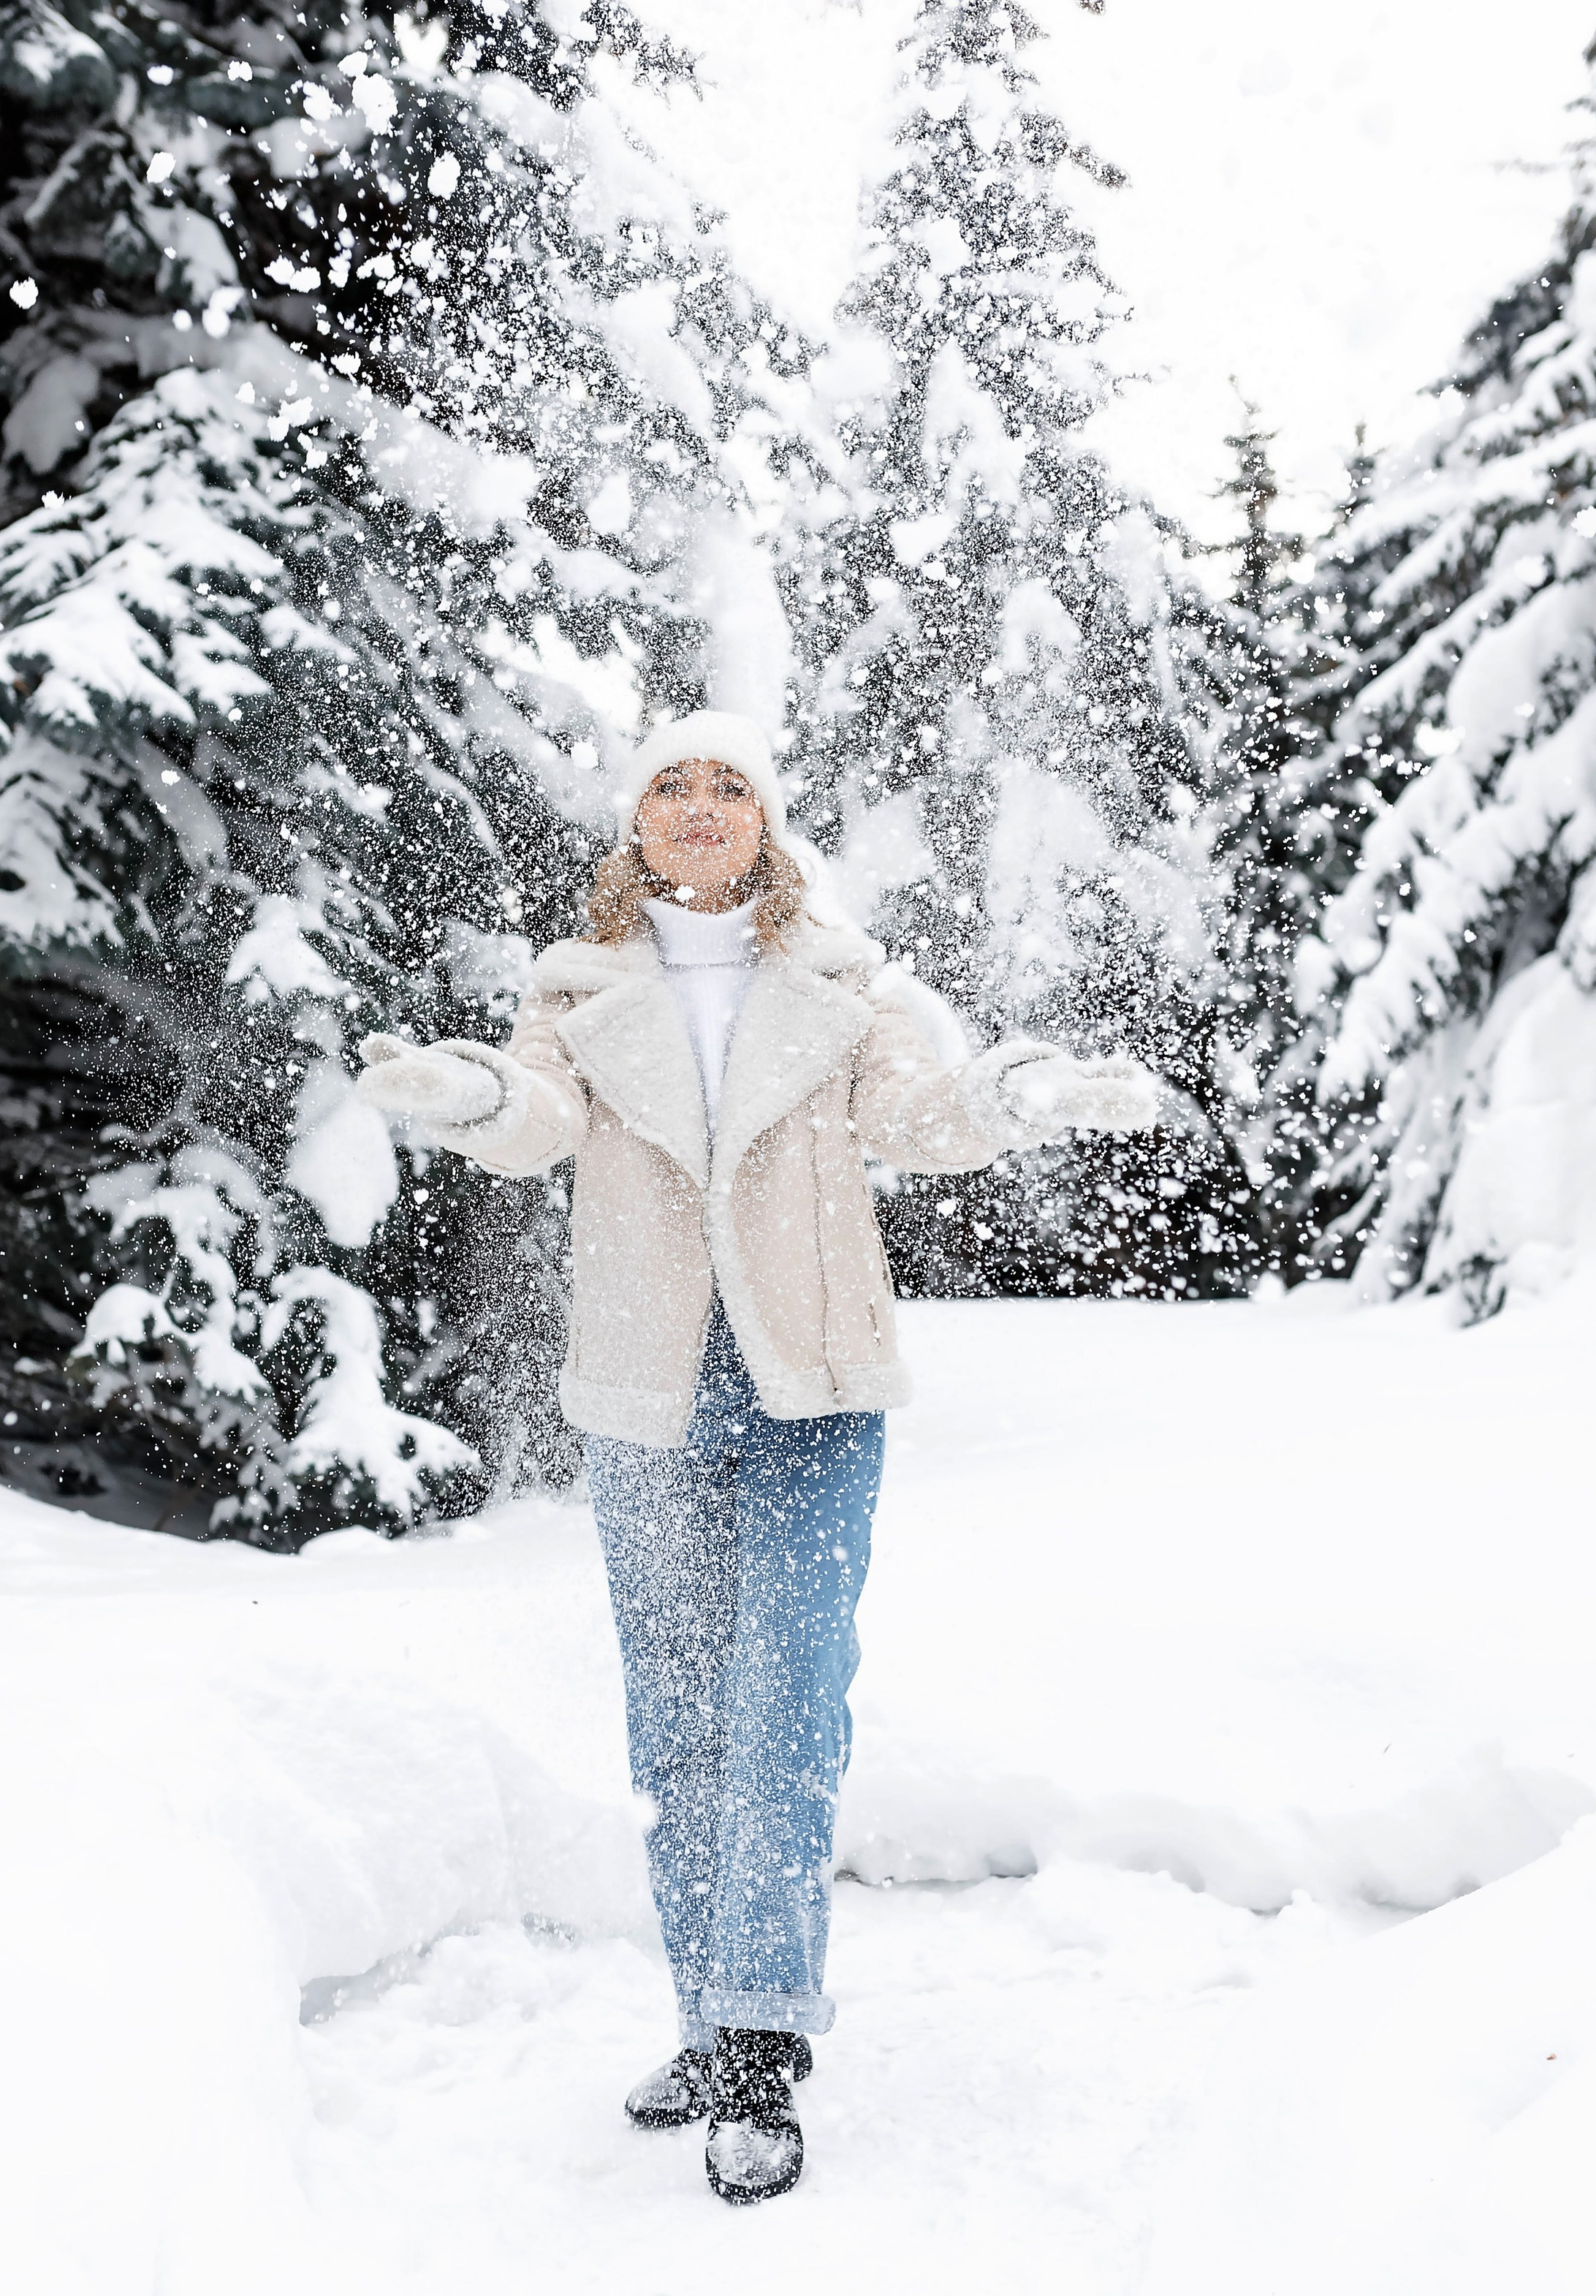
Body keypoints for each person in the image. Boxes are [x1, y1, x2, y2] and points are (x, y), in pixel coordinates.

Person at [354, 711, 1161, 2205]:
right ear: (637, 824)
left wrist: (1013, 1092)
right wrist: (464, 1095)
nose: (701, 804)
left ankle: (760, 2050)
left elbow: (920, 1122)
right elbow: (534, 1124)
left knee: (783, 1706)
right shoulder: (575, 984)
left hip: (810, 1377)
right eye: (674, 784)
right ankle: (704, 2013)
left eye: (729, 785)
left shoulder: (842, 985)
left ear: (767, 823)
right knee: (677, 1725)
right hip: (643, 1386)